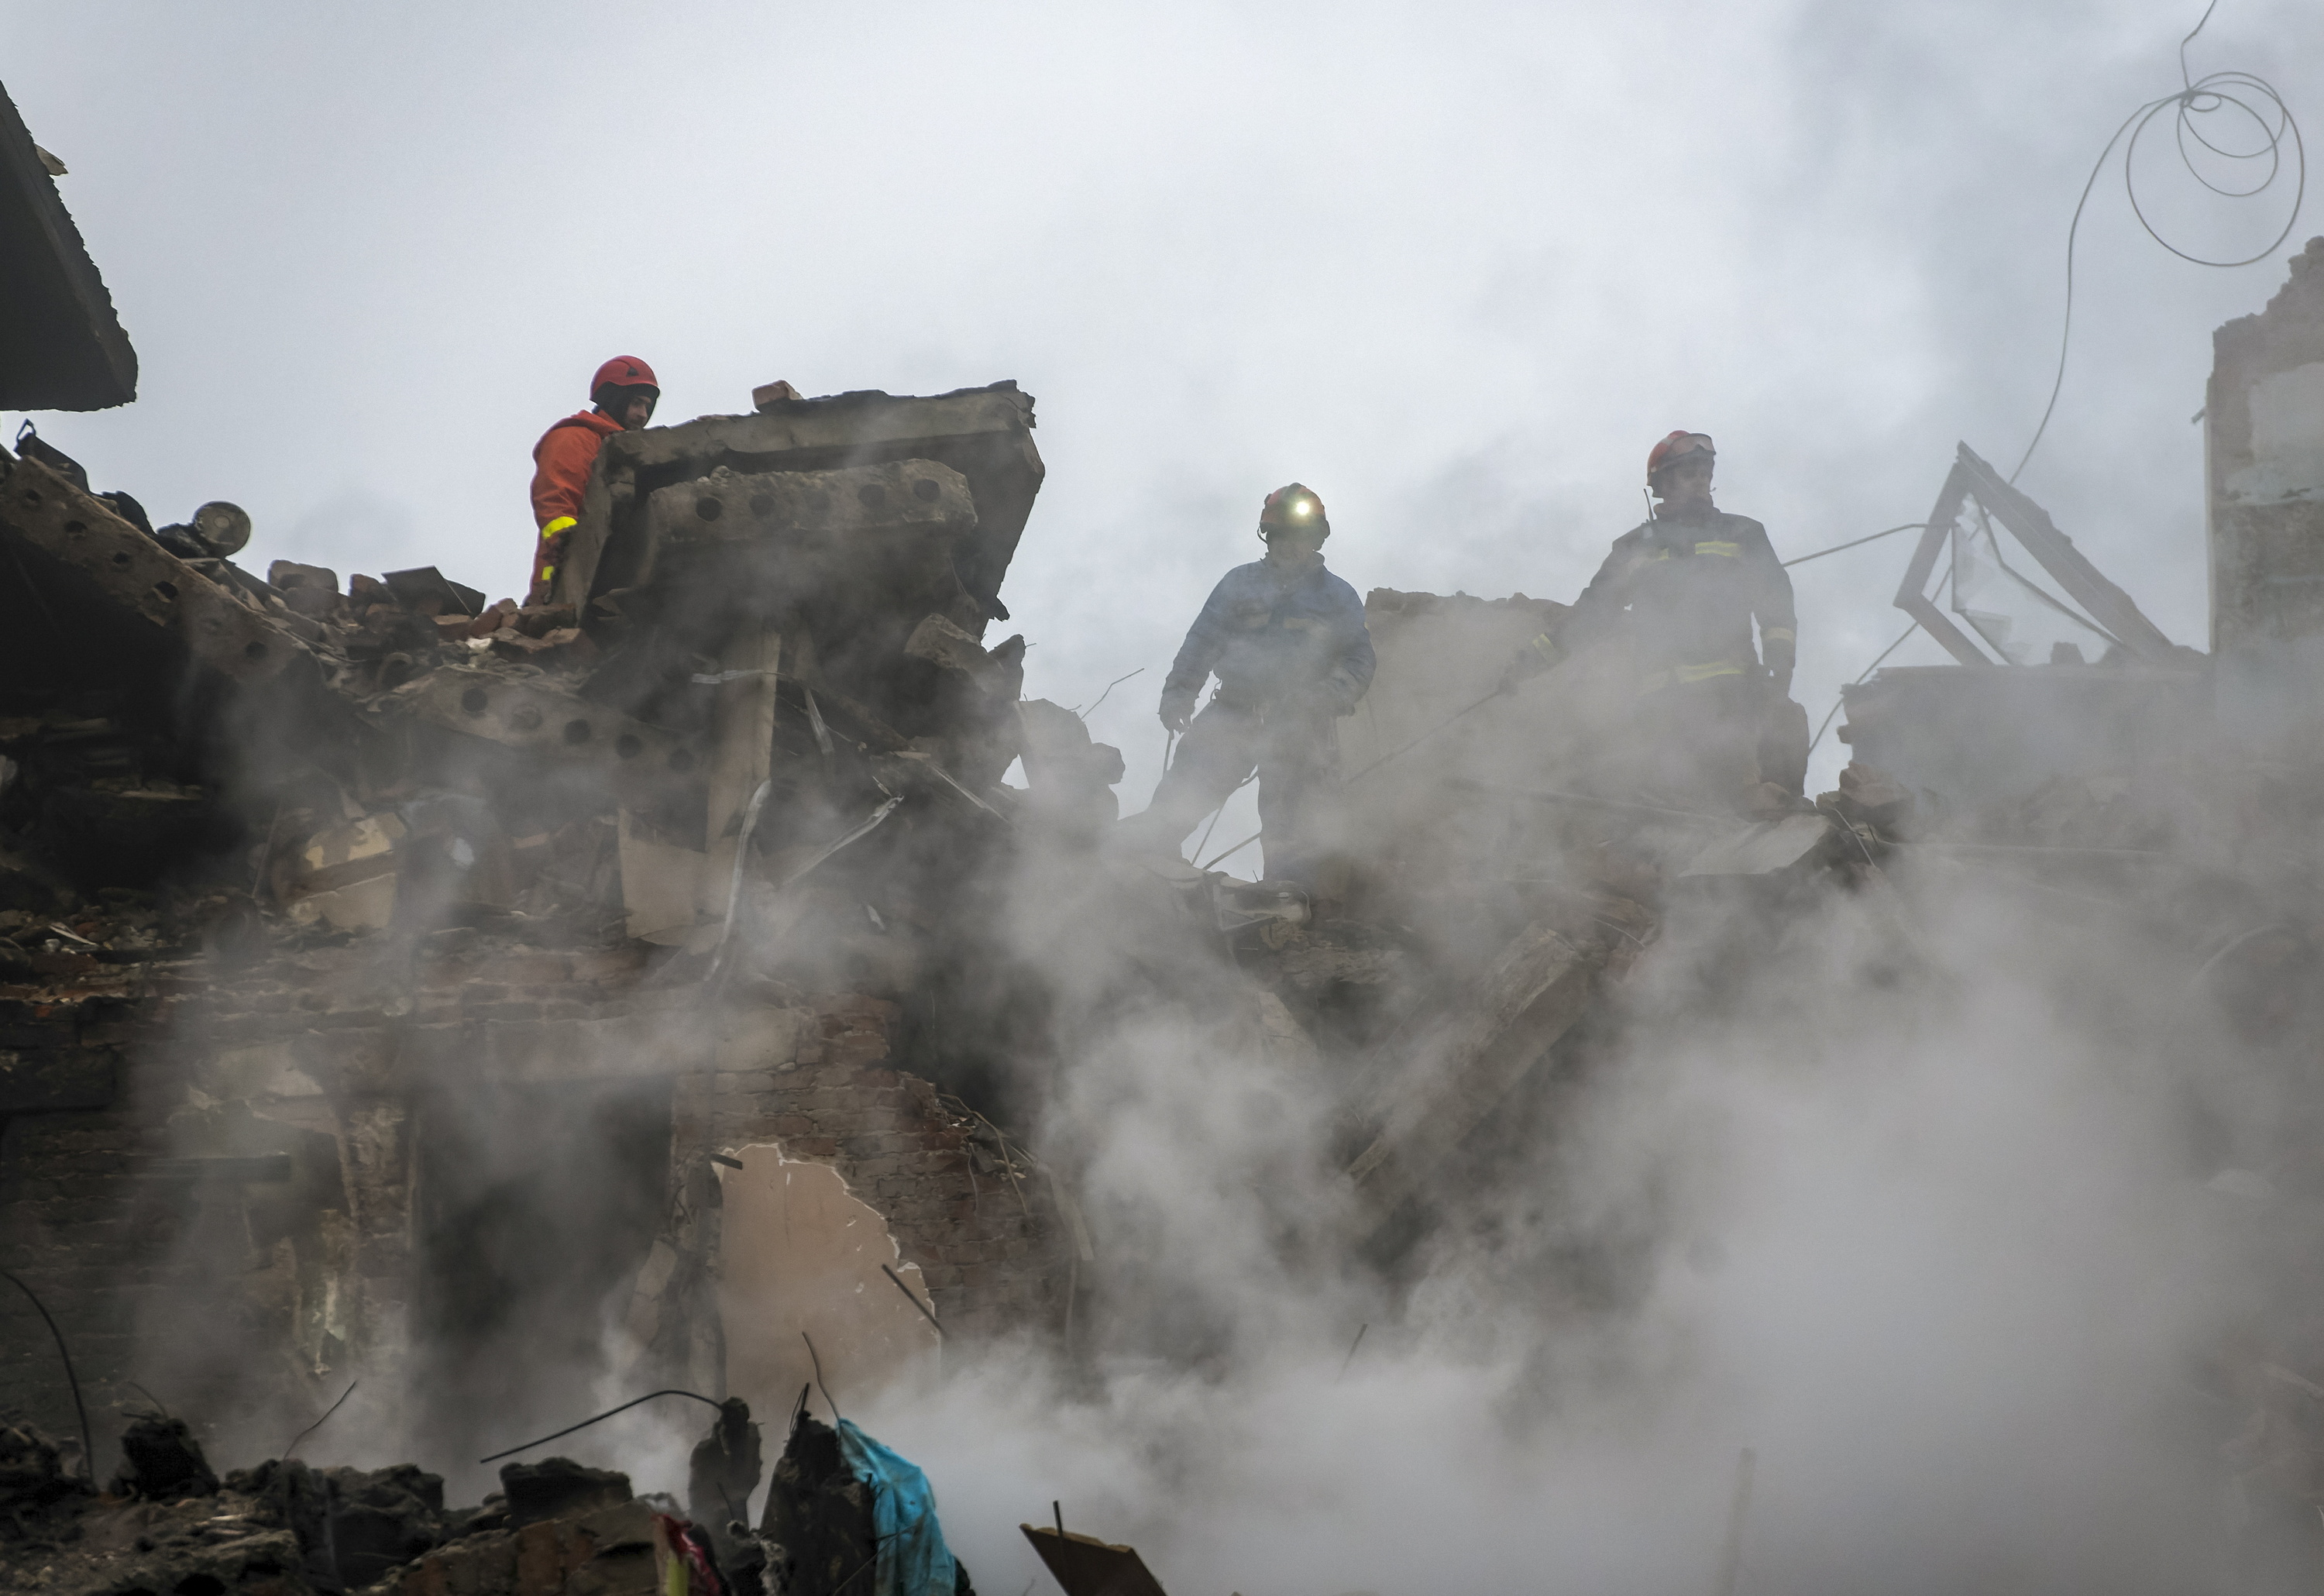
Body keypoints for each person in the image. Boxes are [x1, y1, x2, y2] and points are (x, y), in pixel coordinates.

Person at [1126, 483, 1374, 886]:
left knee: (1295, 826)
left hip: (1301, 725)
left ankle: (1287, 908)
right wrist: (1178, 695)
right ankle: (1142, 878)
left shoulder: (1337, 596)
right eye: (1283, 538)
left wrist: (1323, 699)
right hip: (1233, 712)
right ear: (1269, 537)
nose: (1291, 547)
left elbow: (1360, 659)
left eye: (1302, 538)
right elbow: (1202, 641)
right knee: (1183, 796)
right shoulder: (1238, 584)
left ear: (1316, 541)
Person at [1563, 431, 1800, 808]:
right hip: (1662, 712)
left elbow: (1776, 602)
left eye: (1705, 474)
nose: (1701, 483)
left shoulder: (1744, 534)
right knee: (1671, 820)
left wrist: (1779, 659)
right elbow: (1593, 613)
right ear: (1664, 484)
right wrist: (1537, 657)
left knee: (1746, 807)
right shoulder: (1634, 547)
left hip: (1733, 705)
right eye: (1690, 475)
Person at [527, 356, 658, 603]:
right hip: (563, 588)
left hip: (611, 580)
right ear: (614, 398)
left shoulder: (628, 451)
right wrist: (570, 549)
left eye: (647, 407)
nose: (642, 415)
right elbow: (556, 502)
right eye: (636, 403)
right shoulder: (575, 438)